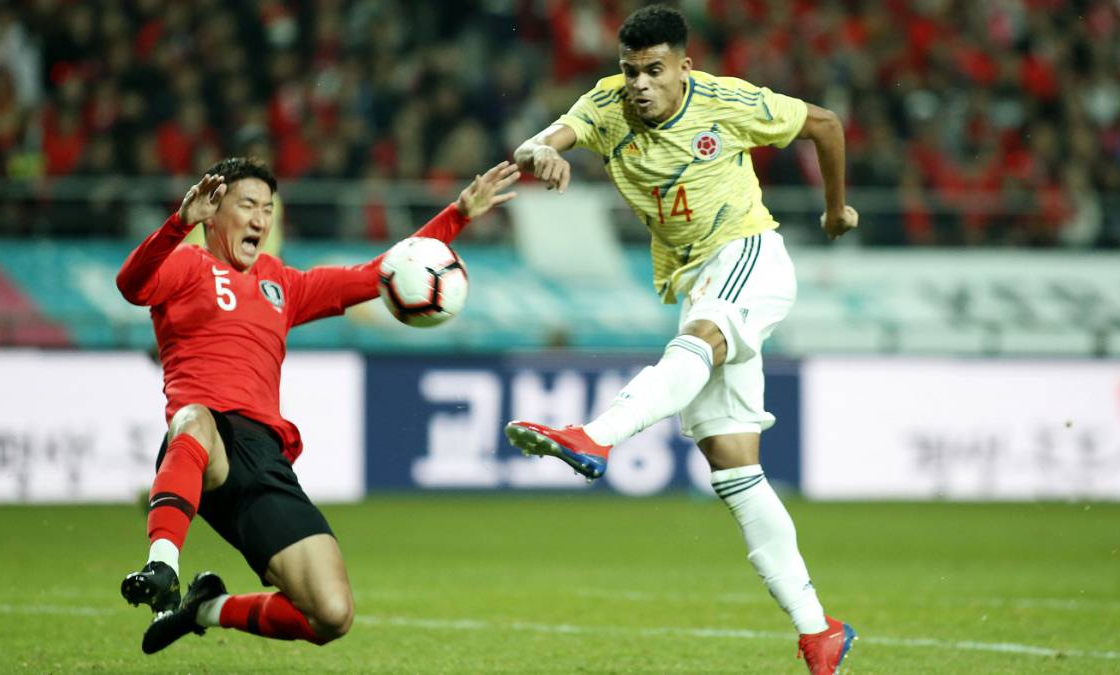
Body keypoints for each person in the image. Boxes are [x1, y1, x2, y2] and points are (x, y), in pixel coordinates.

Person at [503, 6, 857, 675]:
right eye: (630, 69)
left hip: (749, 253)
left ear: (683, 68)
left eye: (654, 70)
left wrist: (834, 208)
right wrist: (541, 150)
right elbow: (537, 141)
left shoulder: (725, 102)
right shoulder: (605, 106)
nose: (639, 83)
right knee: (734, 468)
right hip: (696, 280)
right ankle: (820, 630)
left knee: (700, 337)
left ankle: (595, 435)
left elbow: (825, 124)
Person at [117, 157, 519, 654]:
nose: (261, 219)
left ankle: (204, 608)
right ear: (214, 210)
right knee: (194, 418)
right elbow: (130, 285)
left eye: (268, 208)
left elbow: (381, 273)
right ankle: (163, 564)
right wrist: (179, 224)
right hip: (202, 449)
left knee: (330, 614)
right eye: (248, 205)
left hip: (265, 460)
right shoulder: (186, 263)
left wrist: (458, 214)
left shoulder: (283, 285)